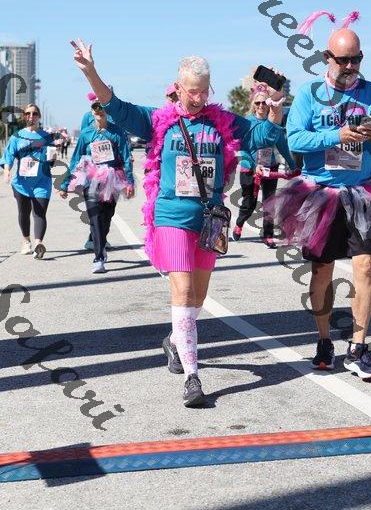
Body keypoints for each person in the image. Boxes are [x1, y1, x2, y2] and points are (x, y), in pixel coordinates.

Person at [71, 38, 286, 407]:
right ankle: (192, 376)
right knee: (183, 291)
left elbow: (262, 136)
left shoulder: (221, 123)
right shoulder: (158, 121)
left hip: (210, 220)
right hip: (171, 216)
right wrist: (91, 71)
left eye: (204, 91)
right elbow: (115, 106)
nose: (198, 98)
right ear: (178, 87)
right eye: (191, 91)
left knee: (198, 297)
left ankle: (174, 340)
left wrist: (276, 108)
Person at [265, 10, 371, 379]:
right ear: (326, 58)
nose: (350, 66)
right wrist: (337, 135)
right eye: (343, 60)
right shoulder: (309, 94)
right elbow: (296, 140)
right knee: (322, 272)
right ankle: (323, 341)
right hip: (320, 195)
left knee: (366, 266)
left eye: (356, 59)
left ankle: (358, 348)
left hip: (361, 192)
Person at [59, 99, 135, 274]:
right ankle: (98, 257)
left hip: (112, 179)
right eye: (95, 107)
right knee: (95, 217)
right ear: (91, 111)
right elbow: (75, 159)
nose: (99, 110)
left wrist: (129, 182)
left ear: (107, 111)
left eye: (102, 107)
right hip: (90, 179)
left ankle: (102, 242)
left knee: (106, 217)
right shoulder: (86, 134)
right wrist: (64, 184)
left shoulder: (118, 132)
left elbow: (126, 158)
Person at [232, 84, 296, 248]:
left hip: (270, 167)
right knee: (249, 203)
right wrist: (254, 166)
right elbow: (243, 149)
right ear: (253, 105)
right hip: (250, 168)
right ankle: (239, 223)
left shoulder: (273, 123)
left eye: (264, 102)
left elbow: (282, 145)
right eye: (257, 103)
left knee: (270, 202)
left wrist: (292, 165)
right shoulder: (247, 123)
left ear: (269, 104)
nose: (261, 106)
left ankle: (268, 235)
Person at [0, 104, 56, 258]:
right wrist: (6, 171)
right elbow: (9, 155)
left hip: (42, 181)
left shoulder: (46, 137)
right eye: (28, 113)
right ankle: (26, 240)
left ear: (39, 116)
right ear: (24, 116)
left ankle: (38, 244)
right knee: (24, 212)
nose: (31, 116)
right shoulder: (17, 136)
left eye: (34, 113)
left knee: (40, 213)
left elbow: (51, 159)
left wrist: (52, 157)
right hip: (21, 183)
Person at [81, 91, 128, 252]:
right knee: (95, 210)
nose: (99, 107)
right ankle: (96, 244)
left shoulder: (114, 116)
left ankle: (101, 238)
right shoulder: (88, 118)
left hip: (113, 171)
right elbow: (85, 141)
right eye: (96, 104)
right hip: (93, 172)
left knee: (108, 211)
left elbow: (122, 141)